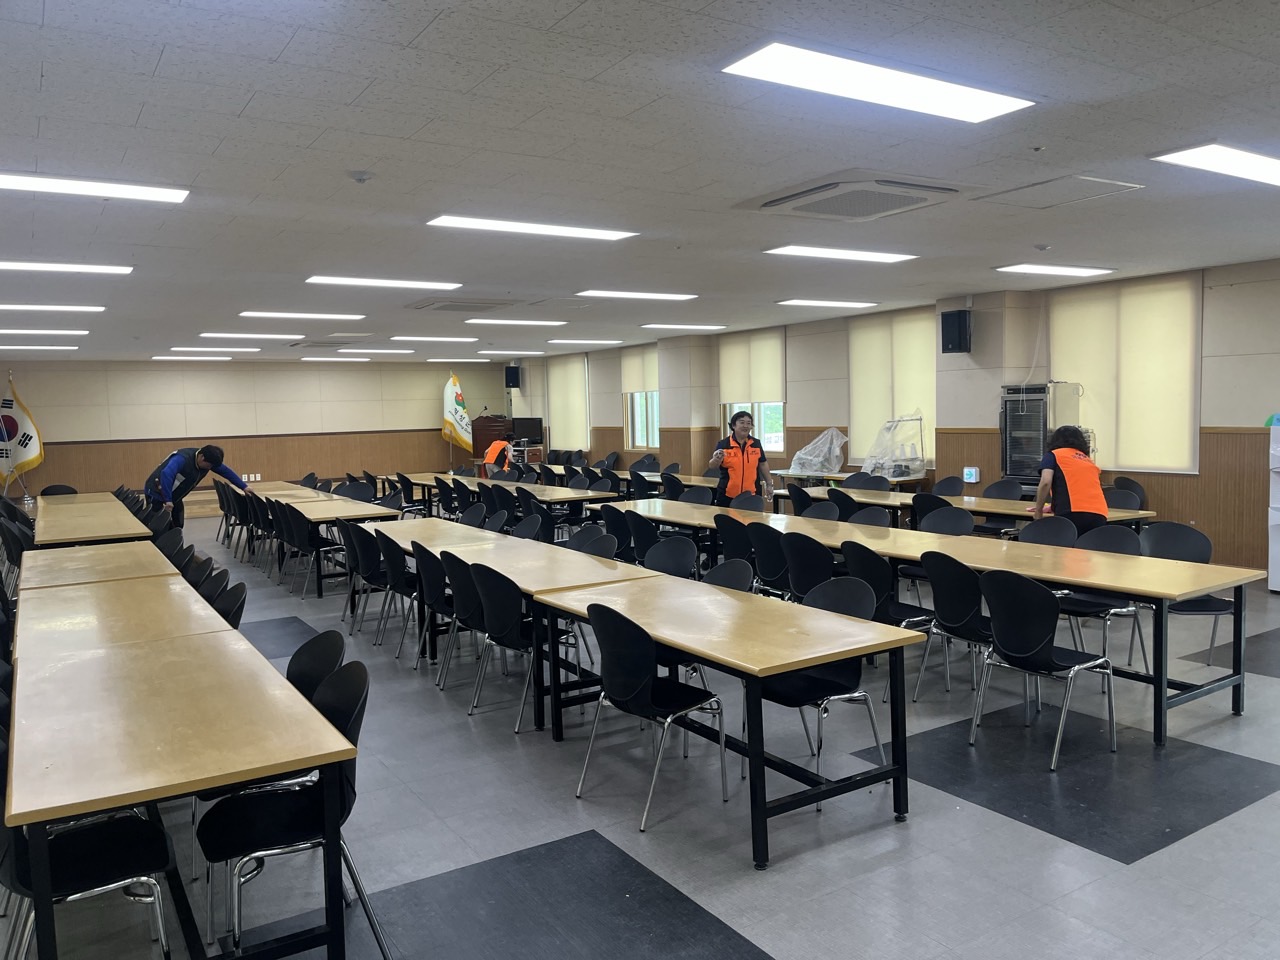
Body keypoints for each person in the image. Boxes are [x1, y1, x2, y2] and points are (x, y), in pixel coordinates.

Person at [144, 444, 249, 528]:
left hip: (175, 495)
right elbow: (166, 474)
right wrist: (168, 500)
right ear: (202, 457)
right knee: (158, 526)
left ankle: (173, 545)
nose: (210, 468)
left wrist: (244, 487)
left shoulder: (210, 460)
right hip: (156, 491)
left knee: (178, 524)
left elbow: (226, 472)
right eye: (209, 465)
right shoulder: (182, 458)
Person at [1031, 425, 1108, 535]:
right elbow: (1081, 487)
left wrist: (1038, 511)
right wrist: (1054, 506)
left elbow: (1046, 482)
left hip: (1071, 512)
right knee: (1087, 544)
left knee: (1062, 544)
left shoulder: (1053, 455)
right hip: (1099, 513)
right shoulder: (1087, 460)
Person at [709, 411, 773, 506]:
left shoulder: (756, 444)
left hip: (752, 494)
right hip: (727, 494)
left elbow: (763, 464)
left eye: (748, 423)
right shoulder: (724, 444)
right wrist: (716, 460)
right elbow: (712, 466)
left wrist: (769, 484)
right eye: (742, 422)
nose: (745, 426)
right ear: (733, 425)